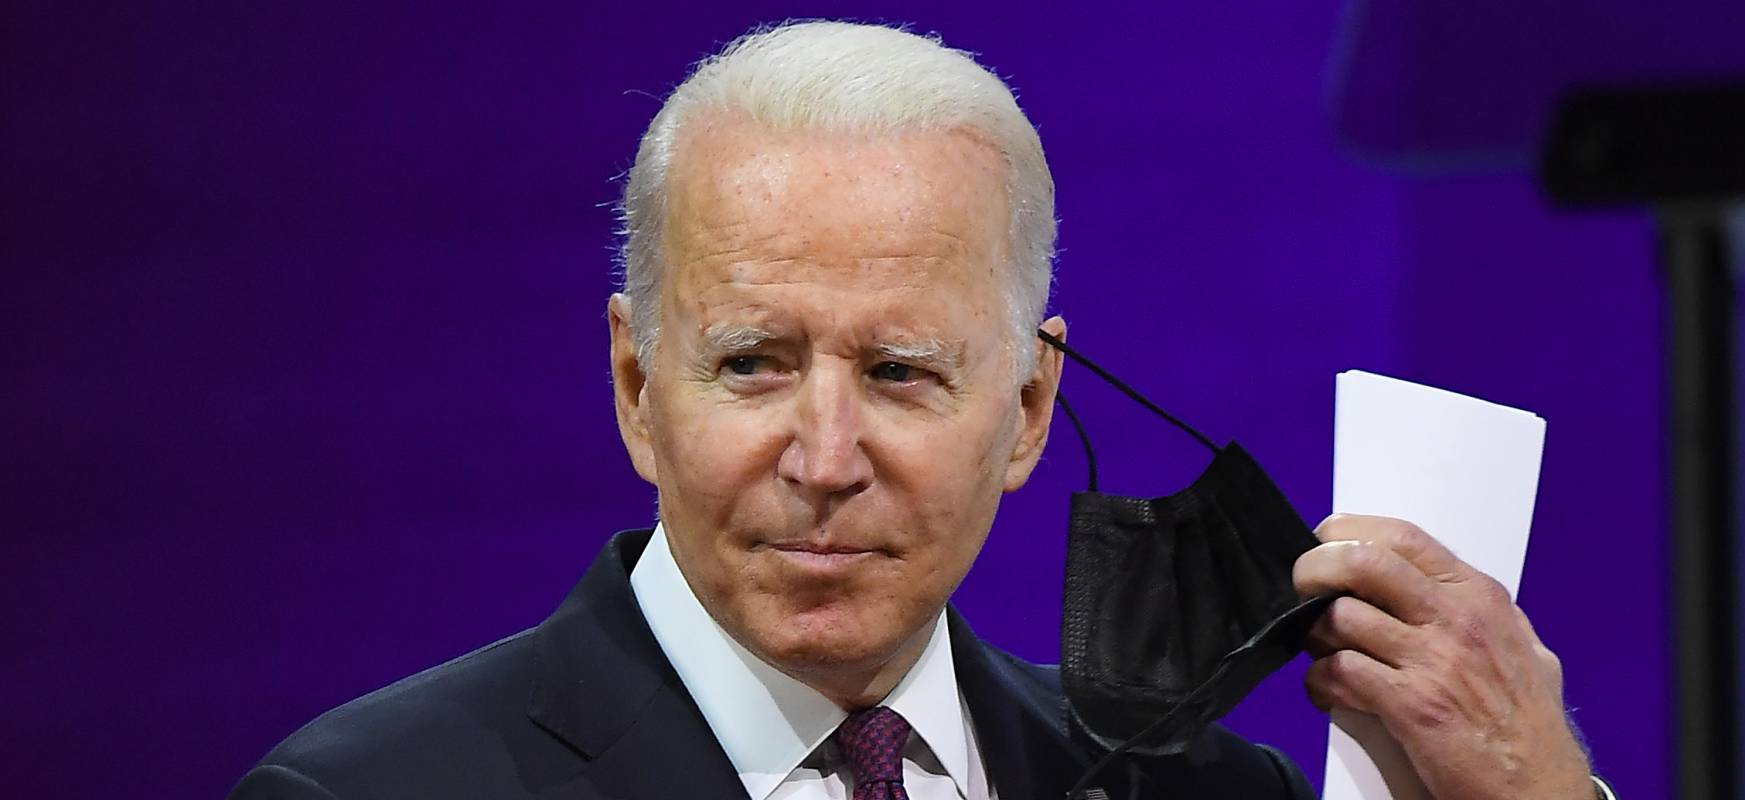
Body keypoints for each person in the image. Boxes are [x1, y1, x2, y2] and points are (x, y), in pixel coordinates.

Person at [231, 21, 1609, 800]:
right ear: (638, 388)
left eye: (900, 374)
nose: (825, 461)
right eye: (754, 363)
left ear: (1026, 407)